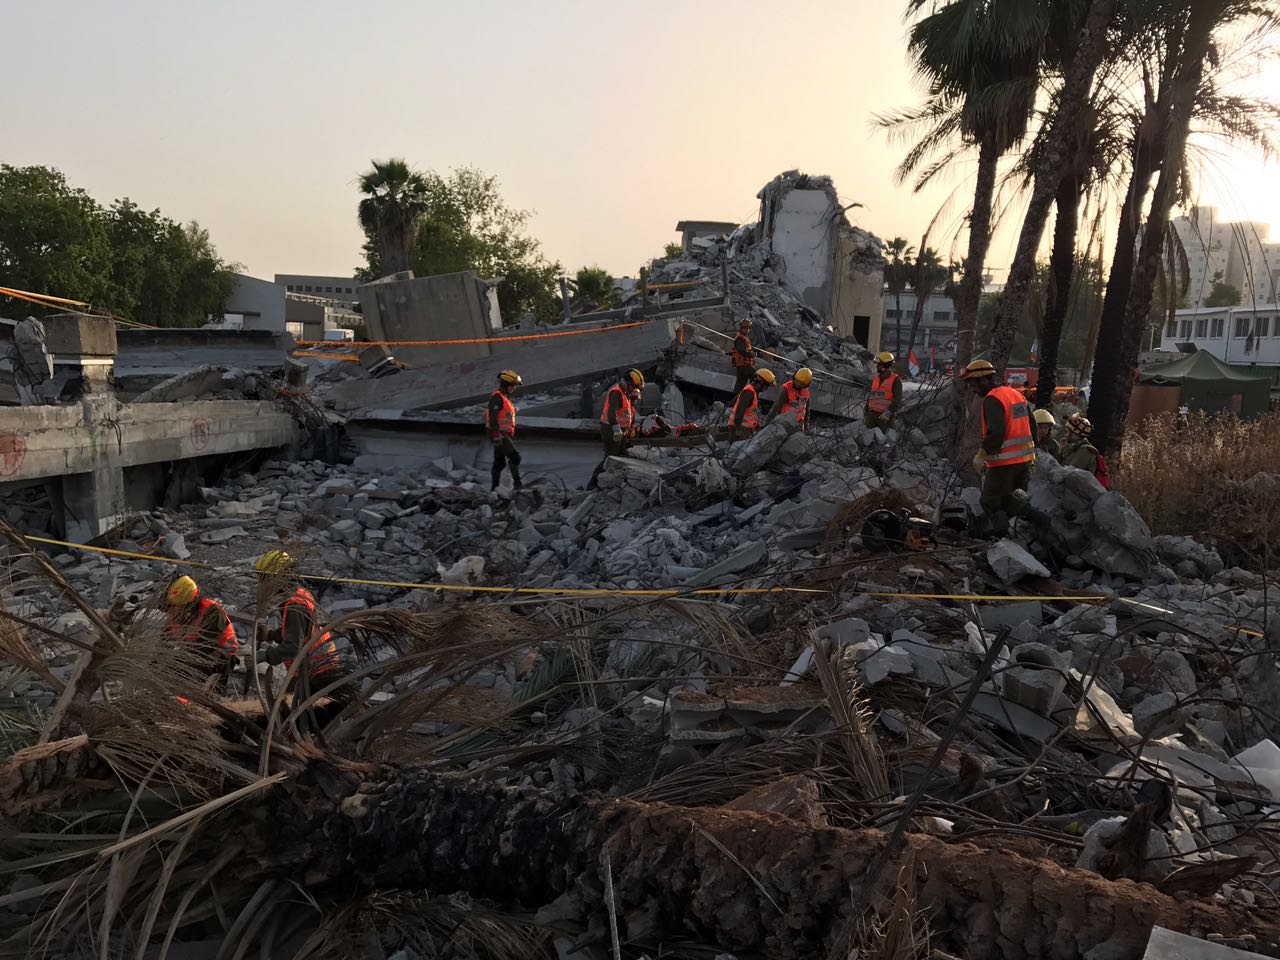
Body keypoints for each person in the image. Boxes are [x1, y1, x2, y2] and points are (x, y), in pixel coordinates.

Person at [961, 359, 1036, 536]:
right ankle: (1032, 521)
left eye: (973, 385)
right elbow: (1032, 425)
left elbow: (996, 432)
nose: (973, 389)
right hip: (1024, 461)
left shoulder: (992, 399)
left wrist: (982, 454)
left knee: (990, 500)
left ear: (984, 381)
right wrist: (1033, 453)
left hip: (1004, 463)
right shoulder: (1015, 395)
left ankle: (1001, 538)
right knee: (1011, 498)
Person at [253, 550, 341, 696]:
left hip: (317, 667)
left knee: (290, 708)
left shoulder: (295, 605)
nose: (263, 585)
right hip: (314, 663)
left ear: (277, 579)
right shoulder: (298, 594)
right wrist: (270, 634)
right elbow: (299, 630)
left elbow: (292, 647)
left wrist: (265, 656)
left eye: (265, 580)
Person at [164, 575, 237, 686]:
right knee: (166, 667)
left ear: (189, 604)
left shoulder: (212, 612)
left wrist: (176, 662)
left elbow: (204, 647)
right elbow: (163, 643)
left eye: (178, 607)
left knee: (183, 672)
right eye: (172, 606)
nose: (173, 611)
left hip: (221, 656)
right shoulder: (174, 616)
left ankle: (185, 698)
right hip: (192, 653)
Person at [486, 369, 523, 492]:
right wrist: (496, 434)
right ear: (507, 385)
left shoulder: (504, 397)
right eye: (513, 386)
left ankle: (494, 489)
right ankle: (518, 485)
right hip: (499, 434)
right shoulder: (497, 397)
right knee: (515, 457)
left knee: (499, 462)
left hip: (502, 433)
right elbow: (493, 415)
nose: (514, 389)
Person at [729, 367, 775, 439]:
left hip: (745, 429)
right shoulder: (749, 393)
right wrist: (738, 429)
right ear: (761, 383)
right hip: (740, 429)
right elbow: (739, 412)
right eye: (767, 386)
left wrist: (756, 425)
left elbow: (750, 412)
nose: (766, 389)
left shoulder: (754, 392)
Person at [865, 352, 901, 430]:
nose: (877, 366)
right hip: (871, 416)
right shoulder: (876, 378)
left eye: (879, 364)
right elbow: (872, 395)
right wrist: (866, 410)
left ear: (885, 365)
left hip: (884, 417)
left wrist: (889, 411)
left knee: (886, 440)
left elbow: (897, 398)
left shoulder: (895, 380)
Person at [730, 319, 756, 396]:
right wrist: (752, 354)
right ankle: (751, 395)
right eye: (746, 328)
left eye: (748, 328)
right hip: (743, 365)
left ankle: (734, 402)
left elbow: (746, 349)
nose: (748, 330)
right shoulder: (740, 338)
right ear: (742, 328)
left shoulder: (744, 338)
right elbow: (742, 351)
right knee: (755, 376)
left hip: (742, 364)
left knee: (740, 385)